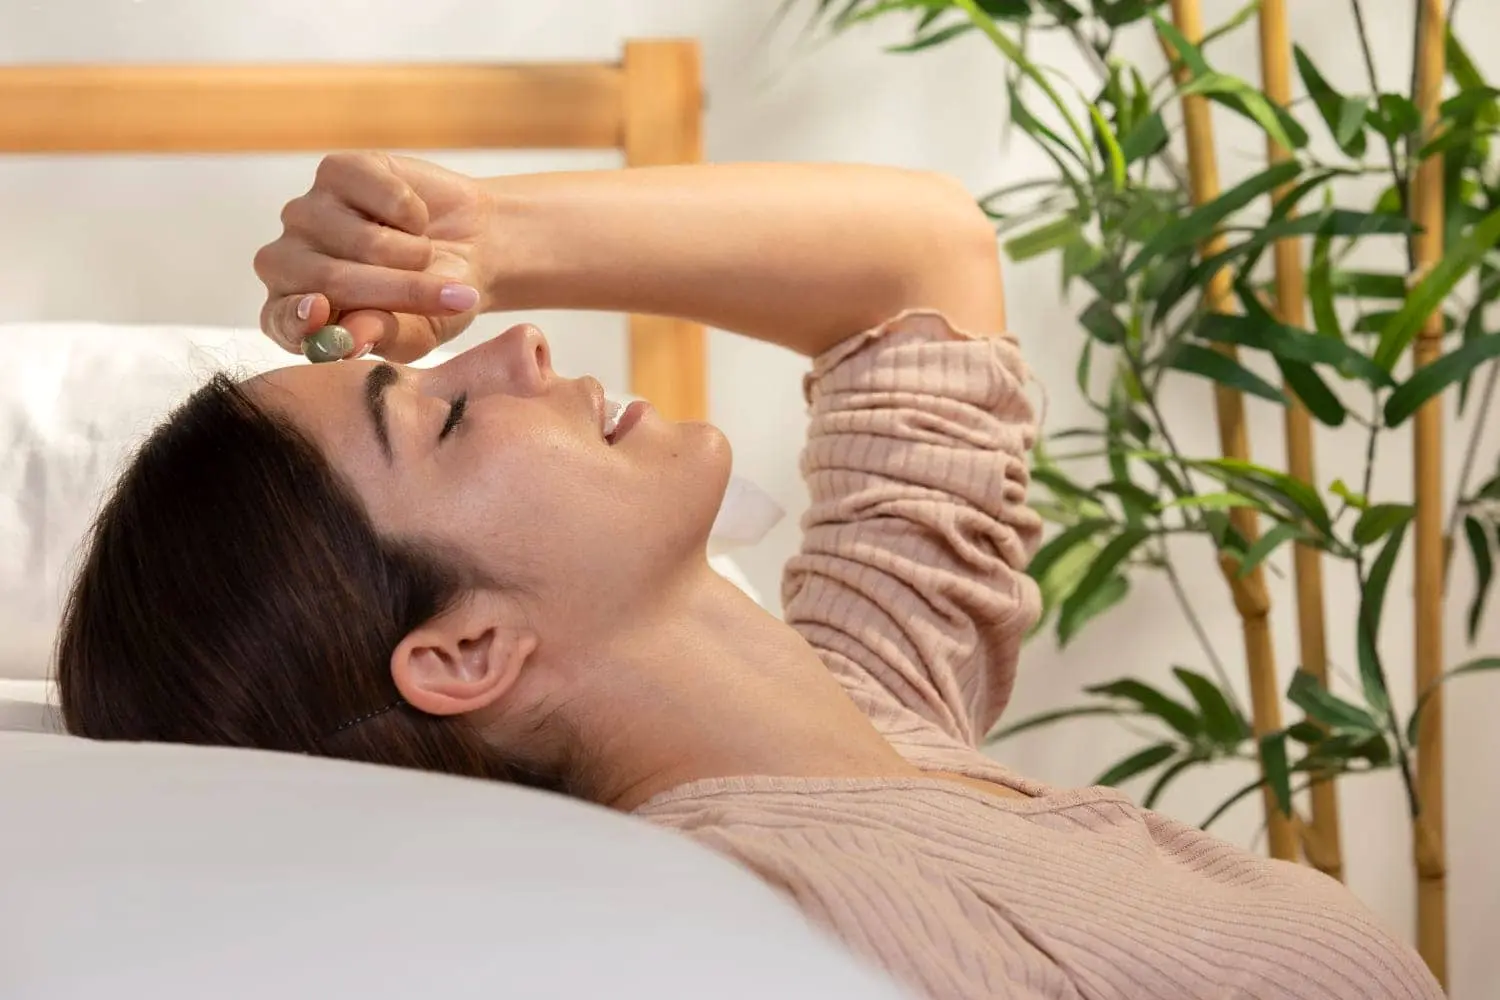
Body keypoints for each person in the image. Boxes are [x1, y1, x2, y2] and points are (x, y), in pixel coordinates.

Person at [56, 153, 1440, 1000]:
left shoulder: (871, 714)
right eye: (448, 417)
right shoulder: (795, 920)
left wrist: (477, 233)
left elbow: (924, 266)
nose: (523, 351)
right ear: (467, 651)